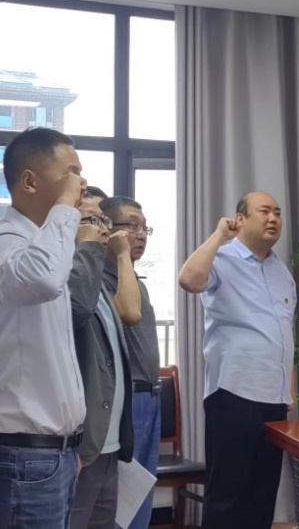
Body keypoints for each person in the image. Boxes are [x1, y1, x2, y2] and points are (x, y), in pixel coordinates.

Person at [179, 191, 296, 528]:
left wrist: (289, 389)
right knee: (227, 496)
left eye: (277, 212)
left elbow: (285, 331)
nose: (273, 218)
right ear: (240, 219)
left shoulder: (281, 271)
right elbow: (189, 280)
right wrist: (219, 236)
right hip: (233, 392)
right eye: (264, 211)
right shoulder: (221, 257)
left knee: (262, 494)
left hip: (274, 398)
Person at [0, 127, 87, 528]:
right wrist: (66, 205)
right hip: (24, 453)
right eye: (71, 174)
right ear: (30, 181)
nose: (80, 184)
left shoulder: (44, 244)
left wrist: (70, 443)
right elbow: (43, 280)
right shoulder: (7, 239)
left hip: (53, 452)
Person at [69, 195, 140, 529]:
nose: (102, 231)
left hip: (109, 443)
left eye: (103, 222)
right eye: (91, 221)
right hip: (83, 448)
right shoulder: (67, 283)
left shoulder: (96, 284)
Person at [99, 196, 160, 529]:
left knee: (142, 491)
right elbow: (129, 315)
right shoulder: (101, 278)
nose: (140, 235)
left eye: (145, 228)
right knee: (121, 501)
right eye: (132, 226)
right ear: (108, 230)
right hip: (127, 399)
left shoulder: (134, 279)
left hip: (150, 395)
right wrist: (122, 258)